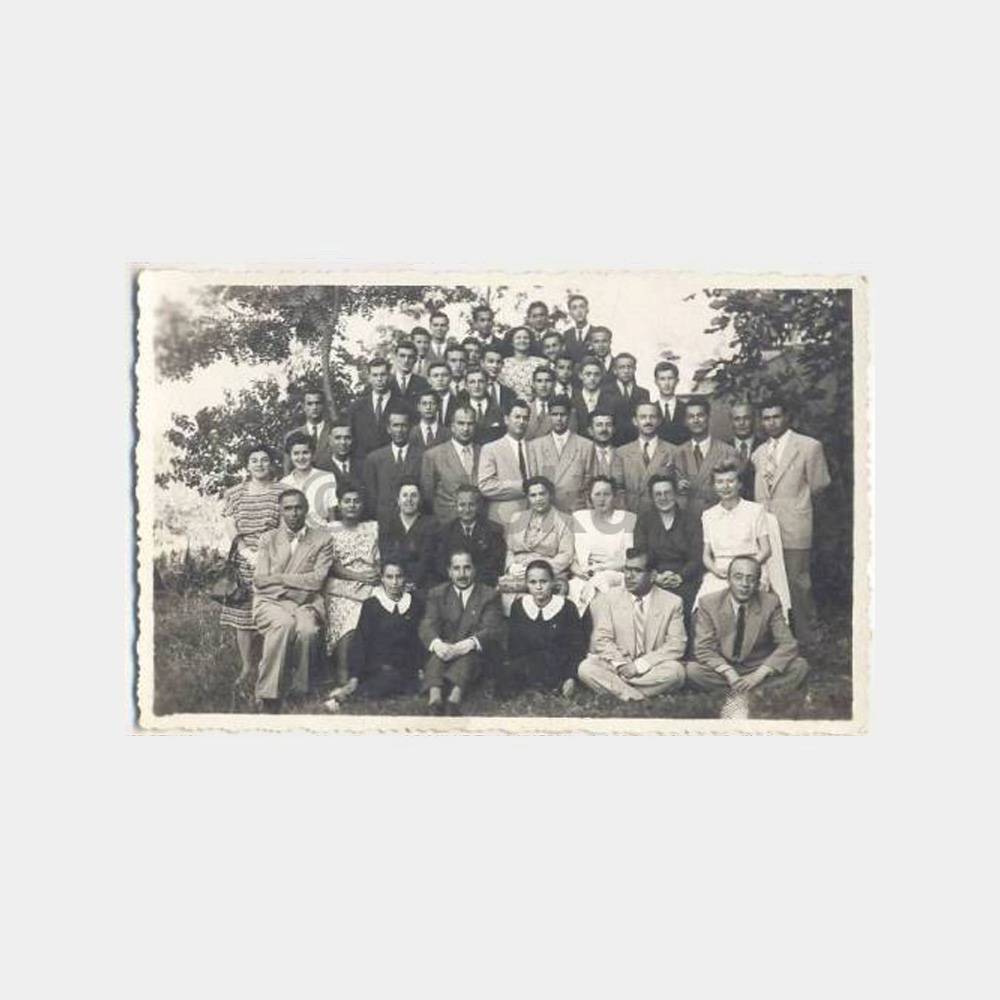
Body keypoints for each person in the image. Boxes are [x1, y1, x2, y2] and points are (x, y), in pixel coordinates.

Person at [686, 556, 810, 720]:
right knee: (692, 671)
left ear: (758, 583)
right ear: (728, 580)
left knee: (800, 666)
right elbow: (703, 648)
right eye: (738, 577)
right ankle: (752, 694)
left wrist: (758, 675)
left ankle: (737, 695)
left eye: (750, 579)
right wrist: (729, 672)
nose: (744, 584)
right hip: (724, 670)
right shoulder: (709, 603)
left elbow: (788, 644)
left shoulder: (770, 603)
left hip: (756, 666)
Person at [752, 399, 831, 646]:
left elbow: (819, 485)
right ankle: (777, 636)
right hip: (766, 527)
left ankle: (808, 636)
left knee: (798, 581)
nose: (771, 422)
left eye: (776, 416)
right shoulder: (759, 453)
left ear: (787, 417)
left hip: (794, 524)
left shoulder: (808, 447)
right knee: (770, 580)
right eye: (766, 418)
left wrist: (796, 507)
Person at [252, 489, 336, 711]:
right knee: (284, 624)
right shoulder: (268, 539)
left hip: (306, 603)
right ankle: (268, 695)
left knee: (308, 631)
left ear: (306, 509)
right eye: (288, 508)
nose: (293, 513)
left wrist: (278, 578)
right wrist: (294, 588)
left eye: (298, 507)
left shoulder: (323, 539)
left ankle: (300, 690)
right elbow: (260, 581)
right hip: (270, 602)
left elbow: (317, 580)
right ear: (280, 511)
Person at [220, 443, 286, 704]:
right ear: (247, 465)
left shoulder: (281, 491)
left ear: (272, 463)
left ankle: (267, 667)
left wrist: (267, 555)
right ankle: (247, 666)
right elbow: (230, 524)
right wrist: (246, 551)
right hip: (243, 559)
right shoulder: (234, 493)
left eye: (264, 459)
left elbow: (286, 526)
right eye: (254, 460)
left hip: (272, 560)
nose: (260, 464)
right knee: (242, 616)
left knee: (271, 612)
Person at [577, 548, 687, 702]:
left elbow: (676, 644)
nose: (629, 576)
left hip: (651, 667)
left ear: (653, 575)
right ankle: (636, 696)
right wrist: (621, 664)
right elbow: (602, 639)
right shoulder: (609, 598)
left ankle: (619, 691)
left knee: (676, 672)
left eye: (637, 571)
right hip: (617, 666)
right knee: (586, 668)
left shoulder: (672, 602)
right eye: (627, 569)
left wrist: (639, 666)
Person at [324, 559, 424, 711]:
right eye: (389, 577)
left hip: (405, 666)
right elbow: (361, 642)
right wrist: (354, 677)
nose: (394, 582)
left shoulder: (414, 604)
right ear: (382, 578)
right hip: (377, 666)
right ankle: (350, 691)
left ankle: (345, 696)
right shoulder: (371, 605)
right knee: (383, 678)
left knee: (393, 679)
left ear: (405, 578)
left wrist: (421, 667)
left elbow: (419, 640)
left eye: (399, 577)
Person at [419, 549, 504, 715]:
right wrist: (438, 644)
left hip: (474, 652)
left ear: (474, 569)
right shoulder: (438, 594)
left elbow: (491, 628)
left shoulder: (489, 595)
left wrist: (464, 646)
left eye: (467, 568)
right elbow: (428, 624)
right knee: (437, 656)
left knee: (468, 658)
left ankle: (454, 699)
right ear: (449, 572)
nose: (462, 574)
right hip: (446, 649)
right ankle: (435, 699)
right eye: (456, 568)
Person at [697, 462, 783, 615]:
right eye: (720, 482)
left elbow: (766, 550)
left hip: (750, 571)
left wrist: (745, 569)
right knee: (703, 605)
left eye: (730, 481)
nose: (725, 486)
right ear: (714, 486)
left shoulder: (755, 510)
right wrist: (715, 570)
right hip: (721, 573)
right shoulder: (708, 515)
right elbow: (706, 556)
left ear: (739, 484)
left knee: (740, 606)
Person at [498, 560, 587, 699]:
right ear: (526, 584)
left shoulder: (567, 607)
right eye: (533, 582)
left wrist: (570, 677)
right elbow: (514, 646)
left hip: (557, 665)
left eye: (543, 582)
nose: (538, 587)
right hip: (527, 665)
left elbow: (576, 647)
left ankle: (551, 686)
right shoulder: (518, 606)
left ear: (552, 582)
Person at [322, 484, 380, 683]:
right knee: (350, 617)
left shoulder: (372, 527)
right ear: (339, 504)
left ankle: (371, 670)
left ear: (362, 505)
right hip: (341, 584)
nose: (352, 505)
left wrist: (376, 572)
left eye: (356, 501)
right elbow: (332, 564)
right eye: (347, 501)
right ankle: (343, 671)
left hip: (370, 583)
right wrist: (358, 576)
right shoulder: (331, 529)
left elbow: (379, 558)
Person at [634, 473, 703, 620]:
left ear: (675, 494)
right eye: (658, 494)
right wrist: (655, 577)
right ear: (652, 498)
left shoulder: (691, 520)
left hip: (685, 579)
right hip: (653, 579)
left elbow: (696, 557)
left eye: (667, 493)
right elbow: (640, 555)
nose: (663, 498)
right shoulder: (644, 521)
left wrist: (680, 576)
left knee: (686, 608)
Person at [498, 476, 575, 599]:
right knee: (503, 592)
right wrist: (511, 567)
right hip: (518, 572)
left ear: (550, 495)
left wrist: (539, 570)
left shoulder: (565, 520)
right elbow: (509, 549)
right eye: (533, 495)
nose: (538, 499)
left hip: (548, 573)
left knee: (550, 591)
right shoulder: (517, 518)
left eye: (542, 494)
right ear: (528, 498)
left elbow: (566, 555)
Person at [568, 475, 636, 612]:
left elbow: (629, 558)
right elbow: (571, 556)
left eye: (606, 494)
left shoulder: (627, 518)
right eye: (597, 494)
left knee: (601, 582)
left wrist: (600, 569)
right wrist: (578, 571)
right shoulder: (579, 518)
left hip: (613, 574)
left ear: (614, 497)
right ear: (590, 497)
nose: (602, 499)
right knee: (574, 588)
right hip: (583, 574)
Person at [526, 395, 595, 512]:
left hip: (575, 510)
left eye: (562, 414)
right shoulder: (535, 446)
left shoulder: (586, 445)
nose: (559, 419)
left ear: (569, 416)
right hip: (547, 510)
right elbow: (533, 483)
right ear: (549, 416)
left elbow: (589, 483)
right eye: (554, 414)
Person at [674, 396, 738, 521]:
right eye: (691, 416)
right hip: (687, 520)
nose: (696, 420)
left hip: (719, 519)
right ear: (685, 421)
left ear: (708, 418)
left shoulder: (728, 452)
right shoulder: (678, 453)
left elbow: (734, 492)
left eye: (700, 415)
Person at [433, 484, 506, 586]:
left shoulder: (493, 530)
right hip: (453, 586)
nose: (467, 510)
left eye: (471, 505)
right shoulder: (445, 532)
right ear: (455, 506)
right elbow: (441, 565)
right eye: (462, 505)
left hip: (484, 585)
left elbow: (496, 565)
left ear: (478, 505)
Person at [362, 407, 424, 523]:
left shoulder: (423, 457)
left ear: (410, 428)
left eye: (404, 425)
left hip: (414, 521)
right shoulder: (374, 458)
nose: (399, 430)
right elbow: (371, 496)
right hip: (384, 521)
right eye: (395, 425)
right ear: (388, 429)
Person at [477, 400, 535, 524]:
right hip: (504, 518)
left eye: (525, 418)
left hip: (533, 517)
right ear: (506, 419)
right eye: (517, 417)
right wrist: (522, 486)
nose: (521, 421)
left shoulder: (535, 448)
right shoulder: (491, 449)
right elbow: (486, 486)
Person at [420, 404, 481, 521]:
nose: (466, 428)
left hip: (479, 523)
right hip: (446, 523)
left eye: (470, 424)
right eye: (461, 423)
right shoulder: (433, 455)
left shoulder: (484, 452)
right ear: (452, 426)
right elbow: (428, 496)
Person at [619, 401, 680, 516]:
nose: (648, 421)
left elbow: (679, 489)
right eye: (643, 417)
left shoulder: (673, 451)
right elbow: (618, 490)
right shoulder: (621, 453)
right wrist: (625, 516)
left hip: (662, 515)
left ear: (659, 421)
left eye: (652, 417)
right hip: (631, 514)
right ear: (635, 421)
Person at [378, 478, 438, 595]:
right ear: (398, 500)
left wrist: (414, 582)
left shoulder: (431, 525)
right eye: (405, 495)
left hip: (422, 584)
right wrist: (400, 582)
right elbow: (386, 556)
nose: (409, 500)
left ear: (420, 500)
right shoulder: (388, 525)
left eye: (414, 495)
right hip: (393, 583)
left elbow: (428, 560)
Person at [280, 431, 339, 529]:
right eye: (296, 453)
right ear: (290, 456)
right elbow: (283, 520)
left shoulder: (327, 478)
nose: (301, 457)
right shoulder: (284, 483)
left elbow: (332, 516)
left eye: (305, 452)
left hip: (321, 532)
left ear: (313, 454)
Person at [348, 356, 397, 458]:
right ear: (369, 378)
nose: (379, 379)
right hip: (363, 462)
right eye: (375, 375)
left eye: (383, 375)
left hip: (391, 462)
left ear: (389, 376)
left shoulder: (402, 406)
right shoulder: (356, 407)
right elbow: (351, 439)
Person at [571, 357, 627, 440]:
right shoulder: (572, 400)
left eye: (596, 374)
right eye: (588, 374)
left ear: (601, 376)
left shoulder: (614, 401)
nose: (592, 378)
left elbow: (618, 430)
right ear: (580, 375)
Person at [283, 388, 337, 473]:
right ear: (303, 407)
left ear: (324, 405)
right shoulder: (292, 435)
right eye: (310, 404)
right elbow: (287, 470)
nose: (314, 407)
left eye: (318, 403)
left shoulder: (334, 432)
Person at [587, 410, 626, 506]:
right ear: (590, 431)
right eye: (599, 425)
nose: (604, 429)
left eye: (608, 425)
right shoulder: (584, 455)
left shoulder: (623, 455)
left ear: (614, 429)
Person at [327, 419, 366, 510]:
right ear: (329, 440)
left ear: (353, 440)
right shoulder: (321, 467)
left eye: (347, 438)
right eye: (338, 438)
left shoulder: (364, 466)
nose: (343, 442)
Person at [463, 366, 506, 444]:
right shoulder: (460, 410)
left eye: (481, 381)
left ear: (487, 384)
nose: (477, 386)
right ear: (466, 386)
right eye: (472, 382)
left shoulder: (499, 410)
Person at [730, 400, 763, 499]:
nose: (742, 423)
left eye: (746, 418)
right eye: (737, 419)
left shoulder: (765, 446)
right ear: (731, 422)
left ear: (754, 420)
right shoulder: (722, 449)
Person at [499, 326, 540, 402]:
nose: (522, 340)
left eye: (526, 338)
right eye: (518, 338)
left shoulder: (539, 363)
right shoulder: (503, 364)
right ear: (511, 342)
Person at [652, 361, 689, 444]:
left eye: (670, 378)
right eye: (662, 379)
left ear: (677, 381)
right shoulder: (651, 410)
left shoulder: (687, 409)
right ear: (656, 382)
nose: (666, 383)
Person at [390, 338, 430, 415]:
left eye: (410, 357)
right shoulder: (387, 382)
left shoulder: (423, 384)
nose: (406, 360)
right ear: (395, 357)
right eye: (402, 356)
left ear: (415, 360)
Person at [526, 364, 557, 439]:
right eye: (539, 381)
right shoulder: (526, 408)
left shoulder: (561, 409)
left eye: (547, 381)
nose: (543, 385)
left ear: (554, 384)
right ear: (533, 384)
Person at [427, 360, 461, 427]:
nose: (440, 379)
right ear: (429, 380)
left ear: (450, 378)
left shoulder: (459, 403)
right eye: (435, 376)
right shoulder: (420, 401)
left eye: (444, 375)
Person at [482, 346, 515, 412]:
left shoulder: (508, 392)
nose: (495, 366)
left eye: (498, 362)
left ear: (502, 365)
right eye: (491, 361)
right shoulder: (474, 388)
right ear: (482, 363)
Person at [563, 293, 592, 360]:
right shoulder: (566, 335)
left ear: (587, 310)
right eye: (574, 308)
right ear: (570, 313)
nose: (579, 311)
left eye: (582, 307)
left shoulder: (596, 333)